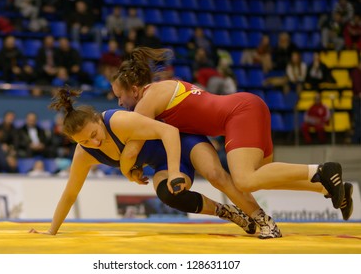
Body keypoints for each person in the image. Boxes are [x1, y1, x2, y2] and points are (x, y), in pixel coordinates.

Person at [110, 47, 354, 225]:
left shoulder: (147, 101)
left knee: (245, 180)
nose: (120, 103)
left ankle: (321, 170)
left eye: (120, 96)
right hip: (248, 107)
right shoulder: (165, 86)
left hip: (239, 114)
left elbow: (132, 147)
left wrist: (128, 171)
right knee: (262, 179)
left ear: (134, 89)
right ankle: (331, 188)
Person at [28, 89, 256, 236]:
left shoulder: (118, 121)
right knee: (169, 195)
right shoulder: (84, 152)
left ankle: (259, 216)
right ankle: (227, 212)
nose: (94, 142)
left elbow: (169, 131)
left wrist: (175, 169)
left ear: (98, 119)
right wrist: (51, 231)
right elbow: (70, 193)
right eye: (85, 141)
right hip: (162, 164)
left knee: (217, 176)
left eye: (95, 134)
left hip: (185, 142)